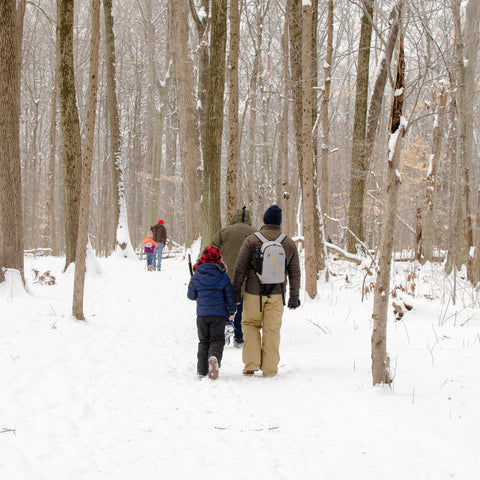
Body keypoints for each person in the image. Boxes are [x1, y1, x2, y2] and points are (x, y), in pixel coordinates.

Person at [232, 204, 301, 377]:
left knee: (250, 325)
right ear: (279, 222)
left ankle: (251, 364)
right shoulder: (288, 242)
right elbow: (294, 272)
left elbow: (240, 268)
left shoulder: (251, 240)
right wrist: (294, 296)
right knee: (272, 330)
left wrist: (235, 293)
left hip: (253, 293)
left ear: (264, 220)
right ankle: (270, 369)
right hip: (277, 294)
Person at [187, 245, 236, 379]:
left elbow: (191, 296)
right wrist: (232, 311)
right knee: (217, 340)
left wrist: (193, 283)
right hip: (218, 315)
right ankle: (214, 357)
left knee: (203, 341)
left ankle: (202, 370)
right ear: (219, 258)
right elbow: (229, 297)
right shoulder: (222, 276)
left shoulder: (197, 275)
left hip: (202, 315)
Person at [211, 206, 257, 348]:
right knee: (241, 302)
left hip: (224, 273)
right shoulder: (256, 233)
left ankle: (226, 324)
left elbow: (211, 251)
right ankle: (239, 337)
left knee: (224, 301)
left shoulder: (223, 232)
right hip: (246, 275)